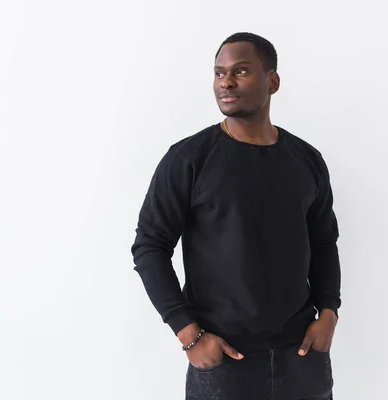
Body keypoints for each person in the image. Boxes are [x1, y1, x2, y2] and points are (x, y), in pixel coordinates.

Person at [132, 32, 341, 400]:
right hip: (224, 362)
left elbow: (324, 241)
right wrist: (188, 334)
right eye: (219, 73)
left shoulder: (306, 159)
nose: (226, 81)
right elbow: (149, 247)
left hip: (303, 358)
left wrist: (329, 310)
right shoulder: (189, 159)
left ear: (272, 81)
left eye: (241, 71)